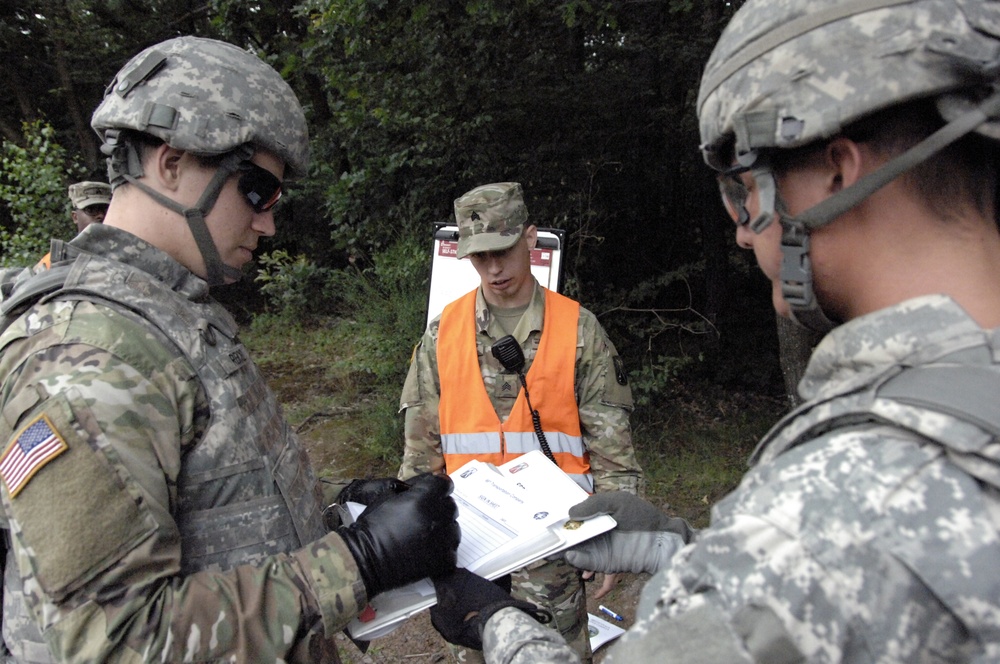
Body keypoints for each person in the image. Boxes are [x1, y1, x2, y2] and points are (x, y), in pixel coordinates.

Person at [432, 0, 1000, 661]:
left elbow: (822, 566)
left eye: (743, 189)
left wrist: (496, 623)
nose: (738, 229)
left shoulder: (838, 502)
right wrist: (686, 550)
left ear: (837, 173)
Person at [0, 36, 460, 663]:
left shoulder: (169, 317)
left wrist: (339, 514)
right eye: (256, 190)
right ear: (171, 163)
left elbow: (210, 515)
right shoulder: (92, 355)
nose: (268, 222)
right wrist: (359, 561)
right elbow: (115, 641)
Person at [398, 182, 642, 662]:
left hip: (556, 548)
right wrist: (417, 538)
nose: (492, 268)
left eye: (502, 251)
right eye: (478, 256)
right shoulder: (442, 335)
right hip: (472, 551)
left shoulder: (579, 331)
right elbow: (419, 455)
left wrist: (614, 538)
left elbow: (613, 450)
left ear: (530, 239)